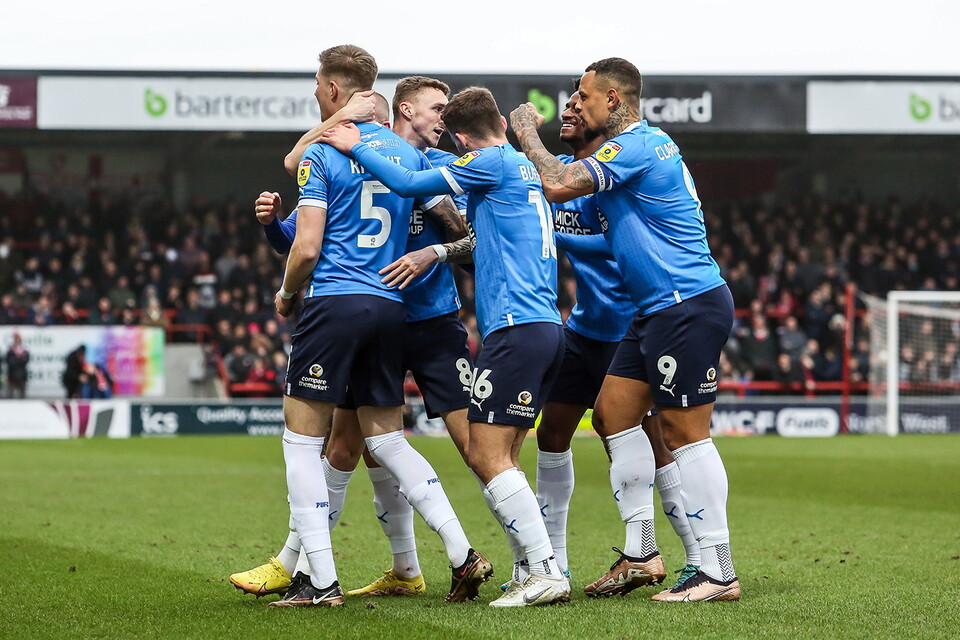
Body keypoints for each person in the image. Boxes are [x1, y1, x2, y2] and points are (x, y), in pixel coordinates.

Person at [322, 86, 570, 607]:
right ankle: (527, 567)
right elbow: (475, 236)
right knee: (495, 452)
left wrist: (354, 144)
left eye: (445, 117)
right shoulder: (523, 166)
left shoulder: (484, 164)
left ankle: (547, 570)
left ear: (461, 138)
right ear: (500, 120)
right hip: (539, 324)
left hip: (508, 324)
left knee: (483, 451)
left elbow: (410, 182)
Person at [233, 76, 479, 601]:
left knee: (304, 443)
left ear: (334, 91)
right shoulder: (410, 162)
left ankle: (317, 580)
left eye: (321, 93)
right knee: (371, 443)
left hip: (366, 309)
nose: (443, 120)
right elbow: (294, 233)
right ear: (398, 110)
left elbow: (306, 247)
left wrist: (284, 293)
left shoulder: (326, 151)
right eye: (436, 109)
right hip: (389, 311)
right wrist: (274, 223)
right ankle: (446, 557)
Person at [510, 57, 740, 602]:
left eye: (584, 96)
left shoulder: (638, 143)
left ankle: (718, 569)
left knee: (686, 434)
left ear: (612, 99)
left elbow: (561, 183)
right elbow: (596, 229)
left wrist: (525, 135)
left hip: (686, 303)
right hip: (653, 312)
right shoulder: (625, 164)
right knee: (614, 414)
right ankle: (641, 552)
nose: (578, 104)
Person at [5, 332, 29, 398]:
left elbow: (25, 361)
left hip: (22, 375)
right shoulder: (10, 351)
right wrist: (18, 359)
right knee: (10, 394)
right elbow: (9, 361)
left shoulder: (25, 351)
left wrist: (17, 359)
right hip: (12, 375)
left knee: (22, 395)